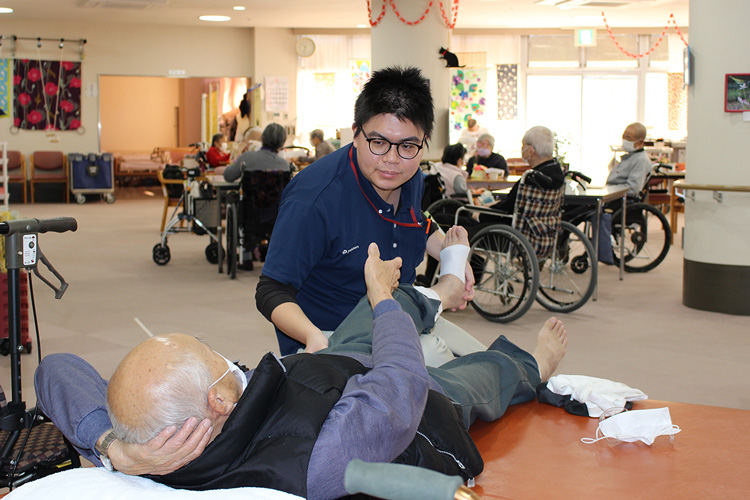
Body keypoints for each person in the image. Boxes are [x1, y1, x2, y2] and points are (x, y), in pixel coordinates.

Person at [34, 239, 568, 500]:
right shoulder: (322, 455)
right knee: (476, 373)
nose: (224, 356)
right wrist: (380, 298)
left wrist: (109, 445)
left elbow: (56, 368)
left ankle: (442, 291)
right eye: (213, 359)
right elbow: (401, 380)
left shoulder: (150, 438)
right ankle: (532, 365)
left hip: (320, 368)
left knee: (389, 301)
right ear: (218, 403)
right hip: (413, 397)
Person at [256, 66, 475, 356]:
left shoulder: (411, 177)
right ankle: (441, 296)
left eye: (408, 146)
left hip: (402, 317)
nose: (392, 160)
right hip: (336, 334)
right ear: (356, 134)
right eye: (379, 142)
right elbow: (271, 289)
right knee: (452, 377)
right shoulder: (313, 199)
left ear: (424, 144)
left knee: (486, 361)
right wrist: (314, 338)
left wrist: (452, 256)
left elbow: (416, 222)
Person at [482, 125, 564, 217]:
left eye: (523, 145)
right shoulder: (556, 170)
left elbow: (508, 207)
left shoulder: (532, 178)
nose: (521, 148)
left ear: (530, 150)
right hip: (543, 225)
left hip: (506, 224)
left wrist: (480, 213)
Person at [221, 123, 289, 182]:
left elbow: (228, 176)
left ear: (262, 138)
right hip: (275, 197)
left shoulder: (246, 157)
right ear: (282, 144)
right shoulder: (284, 165)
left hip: (250, 197)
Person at [606, 122, 652, 198]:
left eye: (628, 137)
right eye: (623, 137)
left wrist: (610, 191)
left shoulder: (641, 160)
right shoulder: (629, 157)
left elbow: (633, 189)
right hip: (611, 195)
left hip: (621, 200)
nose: (624, 140)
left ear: (640, 142)